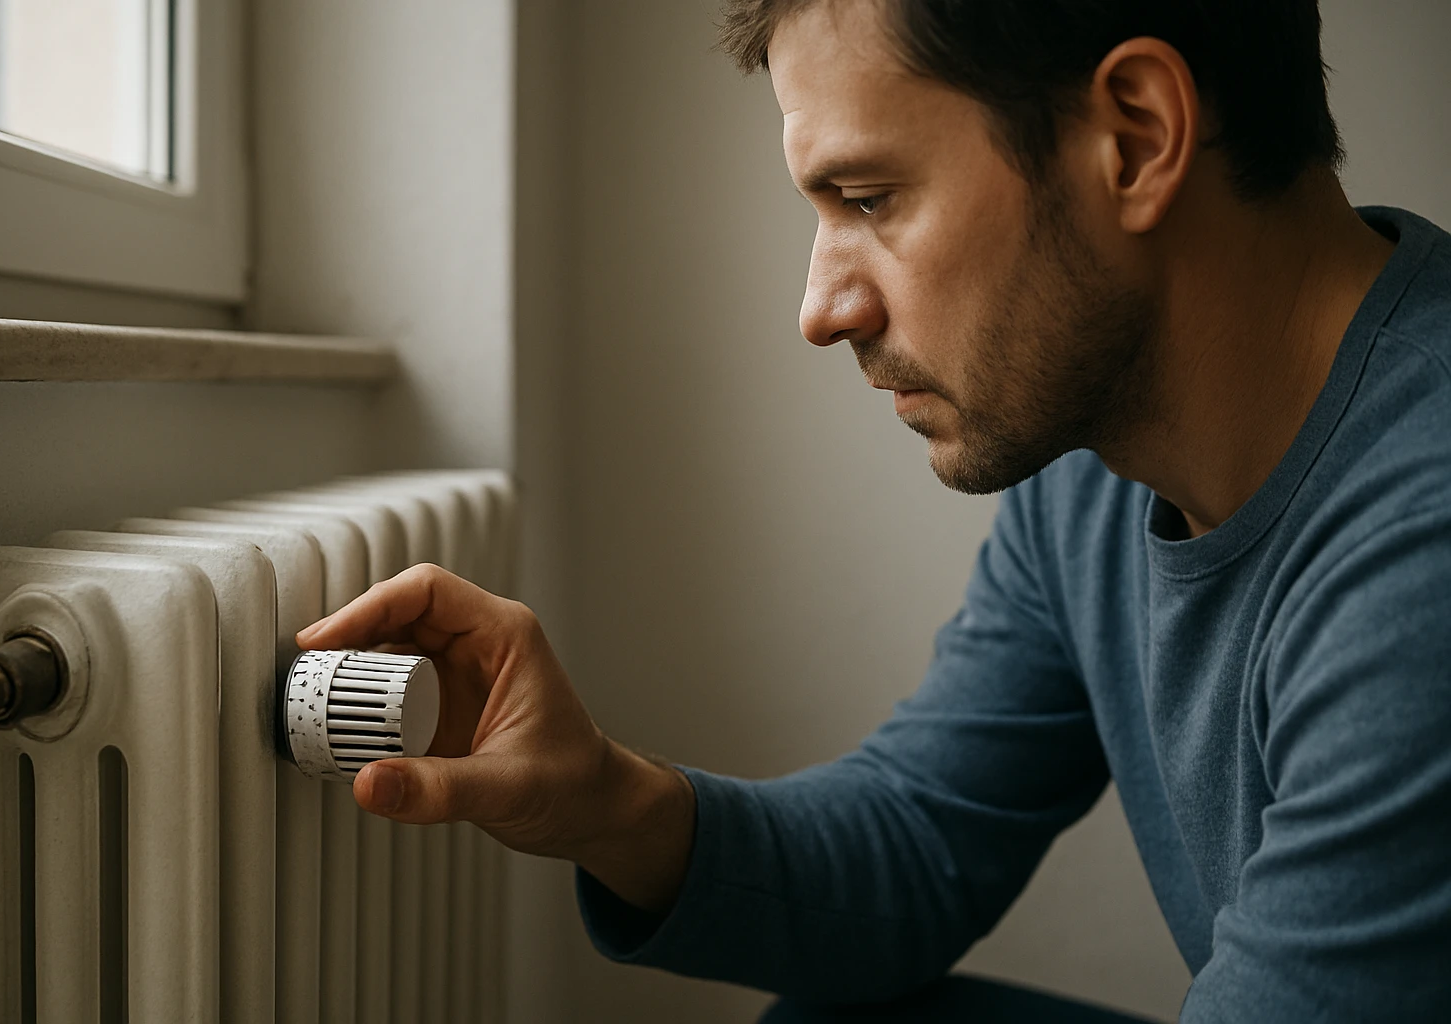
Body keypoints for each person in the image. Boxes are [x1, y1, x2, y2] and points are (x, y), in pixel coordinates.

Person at [297, 0, 1451, 1019]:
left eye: (868, 196)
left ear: (1136, 137)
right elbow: (913, 846)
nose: (820, 307)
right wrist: (601, 796)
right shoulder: (1101, 465)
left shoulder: (1421, 550)